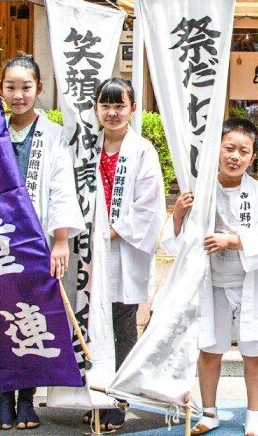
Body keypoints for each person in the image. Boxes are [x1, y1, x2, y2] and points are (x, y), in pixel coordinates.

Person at [171, 118, 258, 436]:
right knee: (209, 349)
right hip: (213, 285)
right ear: (218, 151)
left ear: (252, 157)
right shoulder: (202, 192)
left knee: (254, 352)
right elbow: (178, 242)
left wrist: (233, 240)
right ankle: (209, 413)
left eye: (243, 151)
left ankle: (253, 418)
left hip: (250, 285)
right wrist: (179, 213)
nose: (235, 156)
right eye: (229, 148)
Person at [0, 54, 82, 430]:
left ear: (39, 89)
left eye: (26, 87)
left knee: (31, 318)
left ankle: (27, 399)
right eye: (10, 87)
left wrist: (61, 240)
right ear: (1, 90)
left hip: (36, 241)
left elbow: (62, 187)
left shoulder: (53, 134)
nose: (18, 95)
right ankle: (2, 399)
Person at [91, 77, 165, 432]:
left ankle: (119, 399)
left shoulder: (143, 151)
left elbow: (149, 207)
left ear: (133, 109)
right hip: (91, 253)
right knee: (93, 324)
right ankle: (93, 394)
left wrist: (108, 231)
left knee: (122, 325)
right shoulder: (87, 149)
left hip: (122, 251)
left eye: (120, 105)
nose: (113, 112)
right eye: (106, 105)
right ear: (96, 109)